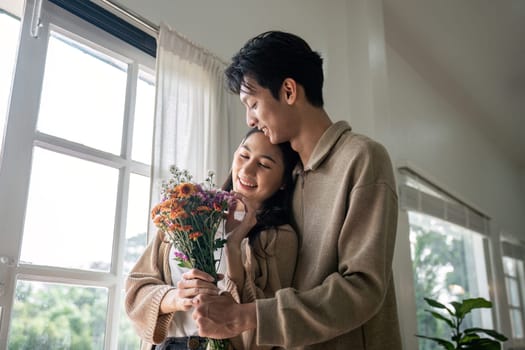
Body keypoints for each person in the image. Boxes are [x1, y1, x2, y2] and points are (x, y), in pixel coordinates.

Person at [191, 31, 402, 350]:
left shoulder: (362, 158)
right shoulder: (284, 173)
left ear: (288, 91)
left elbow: (363, 288)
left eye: (253, 103)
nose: (250, 118)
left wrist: (247, 316)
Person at [125, 128, 300, 350]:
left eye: (264, 164)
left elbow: (264, 329)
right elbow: (135, 291)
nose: (247, 169)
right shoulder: (186, 211)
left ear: (284, 180)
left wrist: (233, 248)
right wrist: (176, 298)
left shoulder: (279, 238)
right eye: (244, 156)